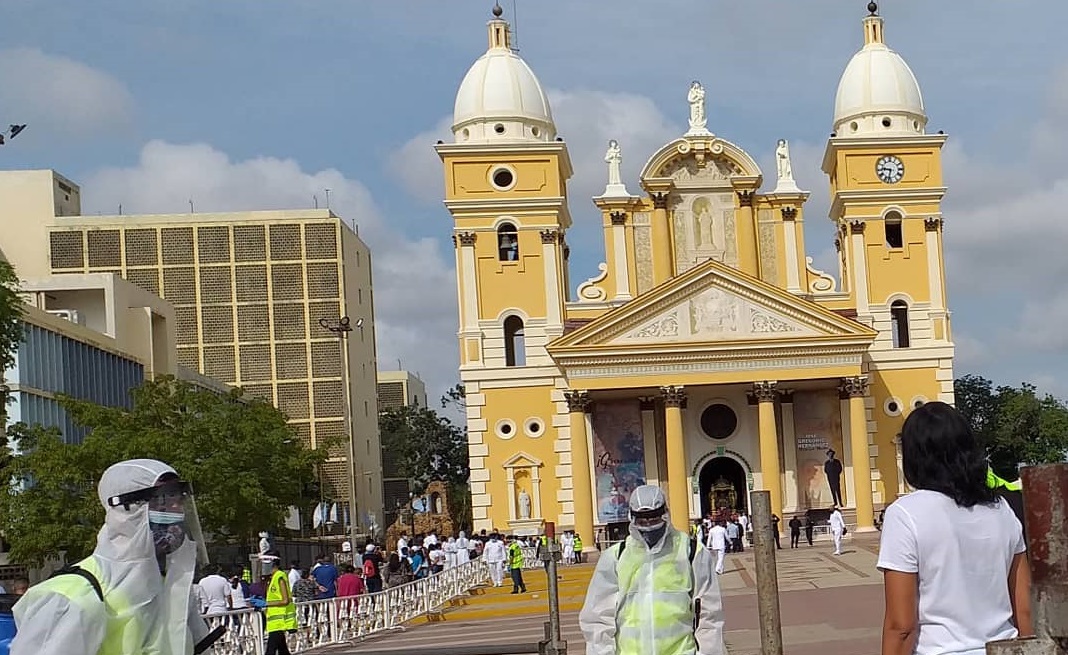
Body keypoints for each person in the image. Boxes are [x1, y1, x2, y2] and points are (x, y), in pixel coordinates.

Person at [11, 458, 212, 654]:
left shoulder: (170, 587)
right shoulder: (74, 597)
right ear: (126, 511)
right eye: (163, 502)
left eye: (179, 501)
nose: (177, 511)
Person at [878, 402, 1032, 655]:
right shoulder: (1001, 510)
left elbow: (901, 625)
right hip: (1003, 648)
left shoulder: (905, 514)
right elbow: (1024, 608)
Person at [579, 485, 726, 655]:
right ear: (632, 519)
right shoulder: (616, 557)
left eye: (654, 520)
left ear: (665, 514)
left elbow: (709, 615)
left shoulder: (690, 552)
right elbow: (598, 617)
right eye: (642, 521)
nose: (649, 526)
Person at [256, 552, 297, 655]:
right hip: (275, 622)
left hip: (280, 621)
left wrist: (266, 603)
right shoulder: (272, 577)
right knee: (282, 650)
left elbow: (285, 600)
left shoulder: (279, 576)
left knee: (271, 650)